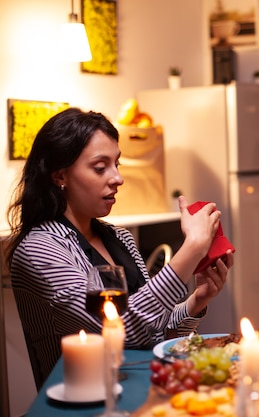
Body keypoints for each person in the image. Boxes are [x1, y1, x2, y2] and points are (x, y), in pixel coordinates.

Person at [6, 108, 234, 389]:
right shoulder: (40, 249)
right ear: (59, 176)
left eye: (117, 164)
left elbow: (152, 331)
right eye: (100, 167)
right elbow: (120, 330)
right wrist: (192, 250)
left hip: (141, 387)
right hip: (85, 402)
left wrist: (198, 300)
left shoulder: (119, 238)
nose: (117, 178)